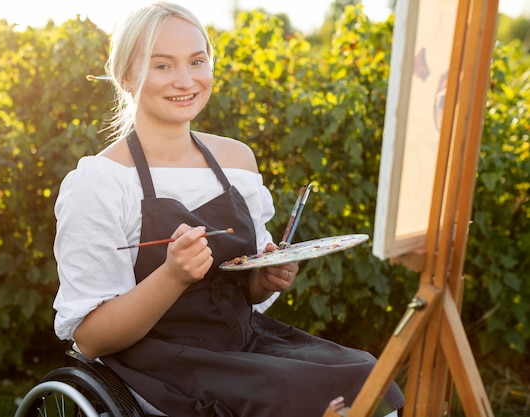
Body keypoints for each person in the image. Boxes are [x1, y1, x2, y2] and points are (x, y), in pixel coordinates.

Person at [52, 2, 404, 416]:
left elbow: (243, 292)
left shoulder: (236, 162)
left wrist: (264, 279)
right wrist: (172, 276)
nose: (185, 80)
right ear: (126, 76)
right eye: (162, 65)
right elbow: (92, 338)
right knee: (296, 395)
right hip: (160, 363)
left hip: (243, 345)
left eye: (197, 61)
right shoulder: (101, 182)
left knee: (367, 374)